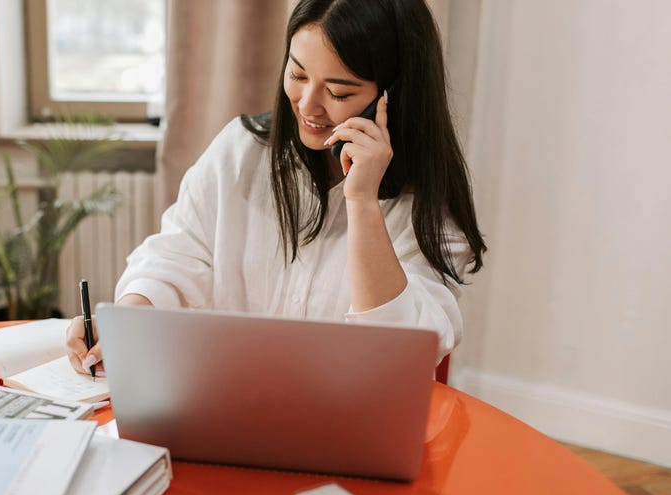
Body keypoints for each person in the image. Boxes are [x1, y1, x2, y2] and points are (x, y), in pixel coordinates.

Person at [67, 0, 486, 376]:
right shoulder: (242, 151)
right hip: (226, 402)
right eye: (298, 74)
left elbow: (399, 352)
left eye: (338, 91)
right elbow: (177, 254)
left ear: (393, 96)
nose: (307, 104)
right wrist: (127, 323)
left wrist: (362, 202)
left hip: (350, 419)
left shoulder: (428, 205)